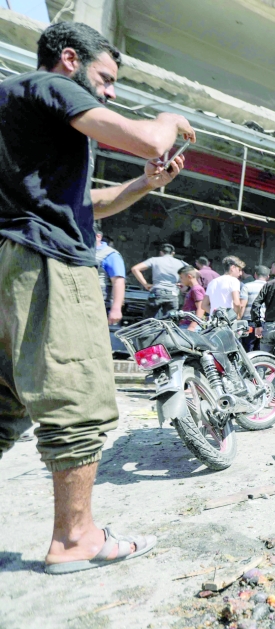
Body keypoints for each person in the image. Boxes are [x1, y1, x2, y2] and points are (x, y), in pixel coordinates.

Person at [0, 22, 194, 573]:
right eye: (105, 79)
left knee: (3, 405)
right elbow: (149, 137)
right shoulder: (49, 86)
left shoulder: (16, 111)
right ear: (69, 59)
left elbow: (89, 204)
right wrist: (169, 122)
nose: (108, 92)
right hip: (49, 265)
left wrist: (144, 185)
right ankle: (75, 538)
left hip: (9, 260)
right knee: (77, 400)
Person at [131, 242, 186, 318]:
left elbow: (135, 269)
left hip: (157, 293)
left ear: (161, 252)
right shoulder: (181, 263)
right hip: (173, 294)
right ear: (173, 253)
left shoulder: (154, 260)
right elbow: (196, 273)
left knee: (148, 320)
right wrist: (183, 283)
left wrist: (145, 284)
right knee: (170, 322)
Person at [94, 222, 125, 327]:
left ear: (98, 236)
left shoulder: (111, 255)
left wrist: (116, 308)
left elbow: (118, 281)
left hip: (98, 305)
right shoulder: (79, 251)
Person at [240, 265, 269, 352]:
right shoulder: (271, 287)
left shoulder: (247, 286)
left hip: (249, 323)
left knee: (247, 350)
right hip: (266, 323)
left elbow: (242, 305)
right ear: (268, 276)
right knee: (261, 351)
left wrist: (238, 319)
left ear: (255, 275)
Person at [177, 265, 206, 331]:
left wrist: (192, 327)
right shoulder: (193, 289)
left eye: (181, 278)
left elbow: (201, 308)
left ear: (189, 277)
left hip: (189, 326)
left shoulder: (196, 289)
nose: (181, 280)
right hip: (186, 324)